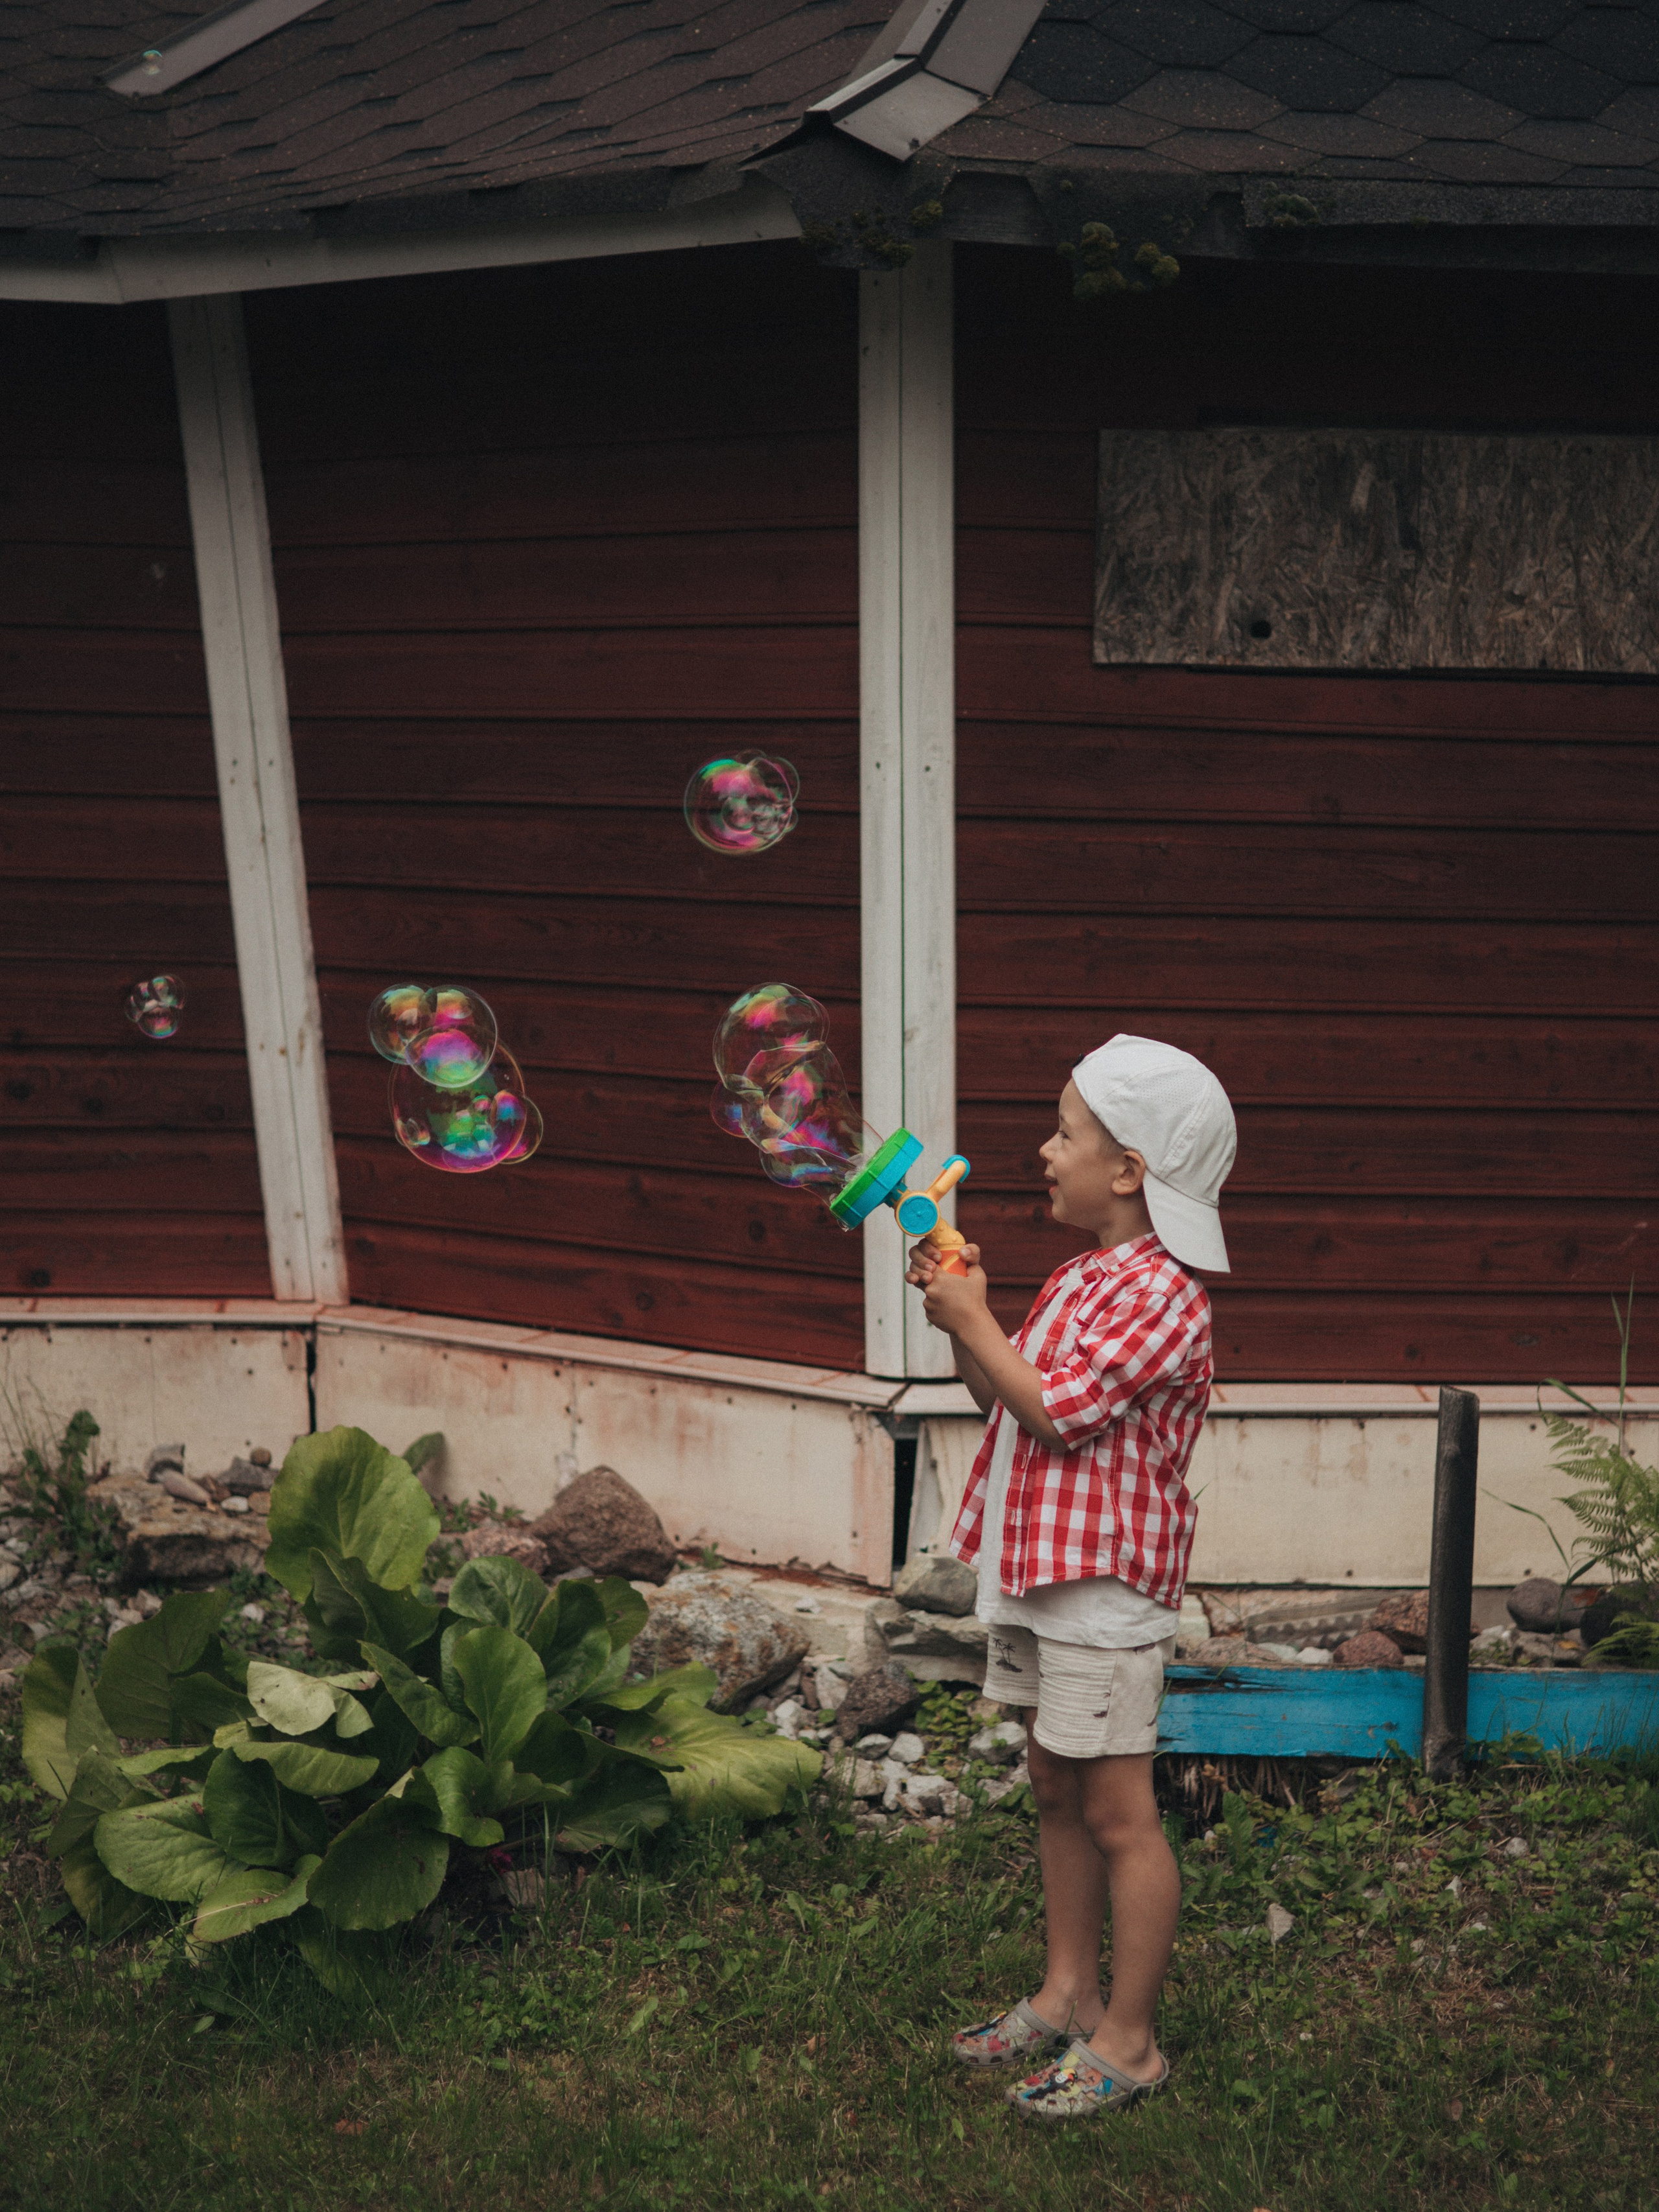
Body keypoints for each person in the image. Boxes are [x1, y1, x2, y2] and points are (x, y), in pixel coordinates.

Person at [905, 1034, 1236, 2124]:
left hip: (1103, 1590)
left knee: (1119, 1810)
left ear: (1131, 1168)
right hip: (1043, 1572)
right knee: (1055, 1781)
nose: (1046, 1150)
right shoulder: (1085, 1276)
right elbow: (1008, 1395)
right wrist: (966, 1317)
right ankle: (1067, 1992)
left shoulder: (1163, 1296)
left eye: (1066, 1132)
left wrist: (979, 1321)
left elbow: (1062, 1409)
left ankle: (1130, 2042)